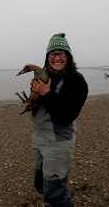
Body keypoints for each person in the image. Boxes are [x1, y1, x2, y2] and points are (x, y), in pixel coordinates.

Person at [29, 33, 88, 207]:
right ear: (47, 58)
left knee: (56, 191)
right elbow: (38, 102)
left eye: (61, 53)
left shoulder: (76, 81)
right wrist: (31, 102)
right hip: (39, 139)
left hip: (58, 143)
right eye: (52, 53)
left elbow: (66, 116)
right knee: (41, 182)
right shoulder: (42, 76)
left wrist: (46, 93)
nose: (57, 57)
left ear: (68, 57)